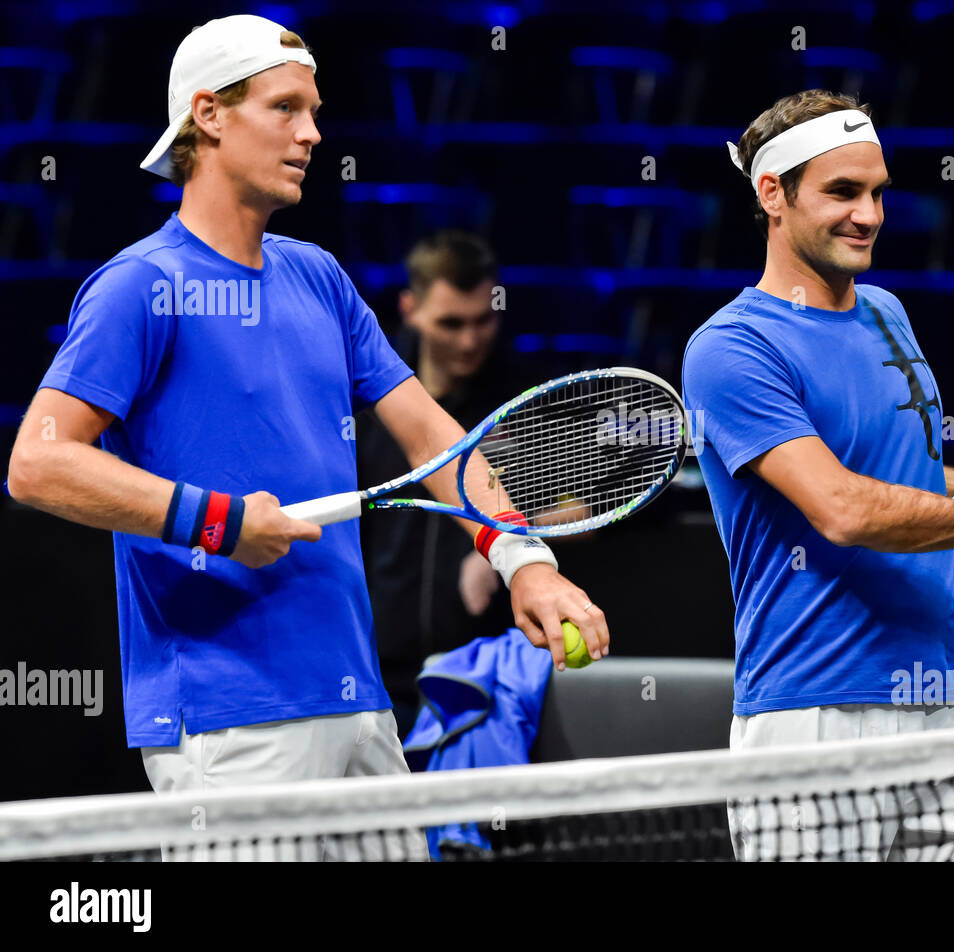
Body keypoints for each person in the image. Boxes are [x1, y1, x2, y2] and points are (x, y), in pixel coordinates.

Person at [4, 15, 608, 812]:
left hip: (359, 706)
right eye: (285, 108)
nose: (314, 133)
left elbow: (434, 439)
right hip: (230, 724)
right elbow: (37, 463)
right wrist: (216, 523)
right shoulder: (137, 287)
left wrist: (521, 560)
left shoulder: (319, 278)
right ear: (208, 115)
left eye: (314, 111)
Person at [681, 89, 954, 861]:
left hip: (944, 698)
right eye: (842, 193)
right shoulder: (731, 349)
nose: (870, 216)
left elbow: (900, 472)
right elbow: (844, 508)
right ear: (771, 195)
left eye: (877, 192)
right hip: (814, 714)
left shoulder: (886, 311)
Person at [357, 231, 522, 738]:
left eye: (483, 320)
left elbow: (584, 505)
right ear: (410, 309)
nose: (470, 340)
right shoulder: (362, 405)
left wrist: (503, 543)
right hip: (371, 680)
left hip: (478, 679)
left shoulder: (518, 402)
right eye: (451, 323)